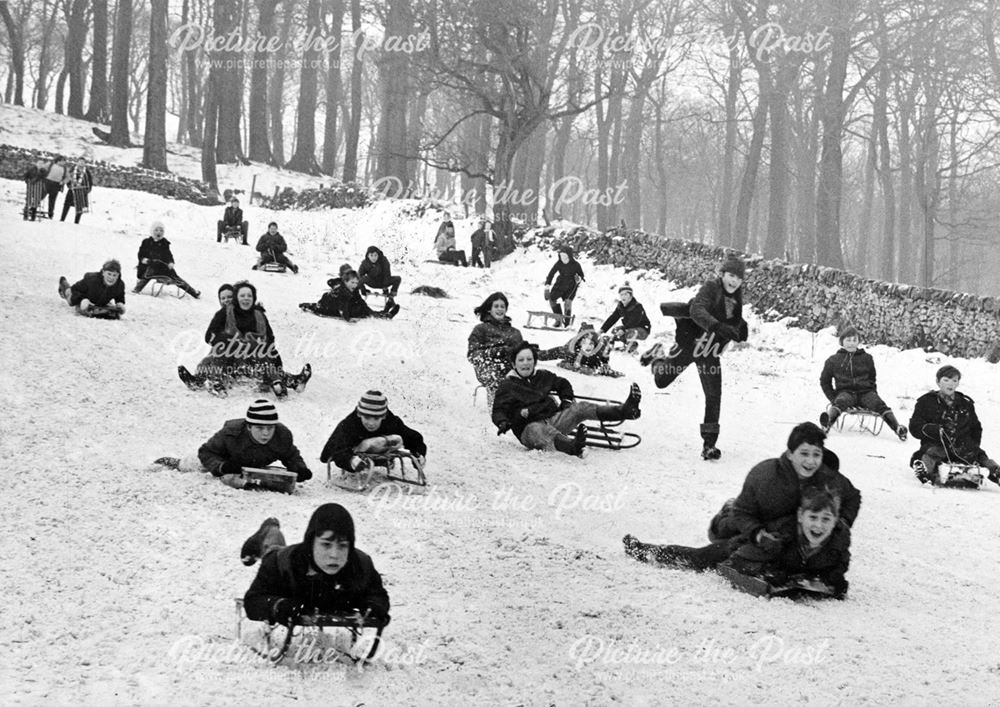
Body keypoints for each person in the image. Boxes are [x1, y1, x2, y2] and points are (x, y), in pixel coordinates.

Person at [624, 486, 851, 599]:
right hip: (746, 544)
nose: (819, 526)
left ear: (835, 521)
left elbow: (838, 565)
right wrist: (772, 571)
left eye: (826, 520)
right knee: (700, 558)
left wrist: (833, 579)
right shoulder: (783, 534)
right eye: (813, 518)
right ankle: (645, 550)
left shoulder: (838, 539)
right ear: (801, 517)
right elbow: (742, 560)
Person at [641, 254, 749, 460]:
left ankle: (709, 444)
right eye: (731, 275)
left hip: (709, 352)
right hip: (690, 344)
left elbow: (732, 318)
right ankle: (657, 360)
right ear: (722, 274)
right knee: (661, 381)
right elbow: (696, 310)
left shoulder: (736, 296)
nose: (734, 281)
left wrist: (741, 327)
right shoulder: (711, 288)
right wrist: (717, 326)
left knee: (714, 395)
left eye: (738, 277)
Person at [241, 504, 390, 631]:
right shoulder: (282, 564)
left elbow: (377, 595)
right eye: (326, 544)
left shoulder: (361, 565)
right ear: (311, 542)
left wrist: (374, 606)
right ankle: (271, 531)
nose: (334, 555)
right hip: (280, 557)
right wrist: (278, 606)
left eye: (343, 546)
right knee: (273, 549)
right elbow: (253, 602)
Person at [492, 341, 641, 457]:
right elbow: (499, 409)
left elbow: (563, 384)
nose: (526, 363)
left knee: (580, 407)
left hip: (553, 419)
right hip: (528, 429)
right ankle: (571, 446)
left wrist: (566, 400)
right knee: (538, 429)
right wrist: (502, 422)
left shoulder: (542, 376)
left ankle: (624, 411)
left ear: (534, 361)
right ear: (514, 364)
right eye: (521, 360)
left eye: (529, 359)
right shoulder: (508, 385)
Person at [184, 280, 311, 396]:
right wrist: (228, 341)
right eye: (223, 298)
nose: (226, 301)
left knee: (260, 355)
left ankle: (285, 381)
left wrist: (275, 361)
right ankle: (202, 381)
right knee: (214, 356)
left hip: (252, 359)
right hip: (228, 360)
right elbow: (210, 338)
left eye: (249, 296)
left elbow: (270, 341)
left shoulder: (258, 315)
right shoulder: (224, 314)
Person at [182, 399, 314, 489]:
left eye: (270, 428)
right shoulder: (232, 433)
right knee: (195, 466)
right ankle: (177, 463)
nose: (266, 434)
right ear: (249, 427)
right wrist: (222, 467)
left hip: (251, 467)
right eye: (260, 428)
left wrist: (299, 469)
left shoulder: (281, 436)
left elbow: (291, 455)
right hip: (226, 461)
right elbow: (206, 452)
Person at [909, 365, 1000, 485]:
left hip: (962, 446)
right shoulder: (926, 402)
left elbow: (976, 427)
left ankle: (996, 472)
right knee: (930, 454)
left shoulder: (965, 404)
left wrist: (973, 444)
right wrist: (931, 429)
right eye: (946, 380)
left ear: (958, 383)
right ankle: (924, 471)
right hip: (938, 444)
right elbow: (915, 425)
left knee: (979, 456)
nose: (950, 384)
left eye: (954, 380)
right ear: (938, 381)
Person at [818, 324, 906, 440]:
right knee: (840, 402)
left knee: (879, 404)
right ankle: (827, 424)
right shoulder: (833, 360)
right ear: (842, 341)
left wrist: (873, 393)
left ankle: (898, 428)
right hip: (846, 392)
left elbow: (872, 378)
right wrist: (832, 397)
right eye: (848, 340)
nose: (851, 343)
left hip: (865, 392)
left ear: (858, 342)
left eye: (854, 340)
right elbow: (825, 381)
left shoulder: (867, 358)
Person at [320, 390, 427, 479]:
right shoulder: (350, 424)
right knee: (353, 445)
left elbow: (414, 437)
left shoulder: (390, 422)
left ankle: (381, 458)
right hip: (356, 450)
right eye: (366, 418)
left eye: (376, 418)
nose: (371, 423)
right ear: (359, 414)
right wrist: (350, 460)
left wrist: (419, 454)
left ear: (383, 417)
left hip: (380, 448)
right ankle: (370, 454)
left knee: (398, 438)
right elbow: (334, 450)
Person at [133, 222, 201, 298]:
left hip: (162, 268)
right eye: (156, 230)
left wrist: (170, 262)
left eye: (161, 231)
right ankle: (137, 289)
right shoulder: (146, 242)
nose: (159, 232)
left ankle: (193, 292)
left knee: (177, 279)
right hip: (149, 266)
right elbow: (141, 254)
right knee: (147, 274)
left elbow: (168, 255)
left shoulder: (164, 244)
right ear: (152, 231)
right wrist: (143, 260)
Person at [313, 270, 400, 321]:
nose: (354, 285)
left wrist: (369, 310)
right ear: (345, 282)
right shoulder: (341, 291)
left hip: (345, 304)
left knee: (362, 307)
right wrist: (348, 319)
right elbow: (343, 309)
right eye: (352, 282)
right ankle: (384, 314)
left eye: (356, 283)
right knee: (358, 312)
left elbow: (360, 300)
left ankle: (384, 312)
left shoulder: (353, 289)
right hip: (327, 307)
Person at [58, 259, 126, 317]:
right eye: (109, 274)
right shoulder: (91, 280)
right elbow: (75, 289)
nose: (111, 278)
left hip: (98, 300)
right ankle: (63, 284)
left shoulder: (120, 285)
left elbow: (119, 297)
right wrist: (82, 299)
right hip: (83, 295)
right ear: (103, 272)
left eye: (114, 275)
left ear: (118, 275)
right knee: (70, 299)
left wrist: (120, 304)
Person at [600, 283, 651, 353]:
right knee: (615, 330)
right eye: (621, 295)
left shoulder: (637, 306)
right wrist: (602, 329)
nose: (623, 297)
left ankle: (631, 347)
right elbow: (612, 318)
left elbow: (634, 321)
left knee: (628, 332)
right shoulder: (621, 307)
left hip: (643, 330)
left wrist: (623, 329)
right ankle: (612, 344)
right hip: (629, 328)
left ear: (630, 296)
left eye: (625, 294)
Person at [543, 245, 586, 328]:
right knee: (552, 299)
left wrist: (579, 279)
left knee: (568, 302)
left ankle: (567, 323)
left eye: (564, 256)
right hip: (560, 283)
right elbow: (551, 274)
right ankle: (558, 319)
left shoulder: (576, 264)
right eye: (561, 256)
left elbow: (581, 275)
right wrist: (547, 286)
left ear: (569, 256)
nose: (562, 258)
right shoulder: (559, 263)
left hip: (571, 285)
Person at [557, 326, 621, 377]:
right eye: (585, 343)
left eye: (591, 344)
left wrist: (604, 364)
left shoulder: (600, 350)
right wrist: (568, 364)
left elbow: (604, 358)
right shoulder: (569, 349)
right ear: (580, 343)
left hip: (593, 360)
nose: (588, 346)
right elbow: (551, 353)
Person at [42, 155, 67, 219]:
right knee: (41, 196)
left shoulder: (64, 168)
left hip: (56, 185)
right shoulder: (50, 164)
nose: (64, 163)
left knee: (52, 201)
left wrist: (63, 181)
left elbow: (68, 177)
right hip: (47, 182)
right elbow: (42, 169)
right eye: (63, 161)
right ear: (59, 161)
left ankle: (50, 214)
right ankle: (33, 208)